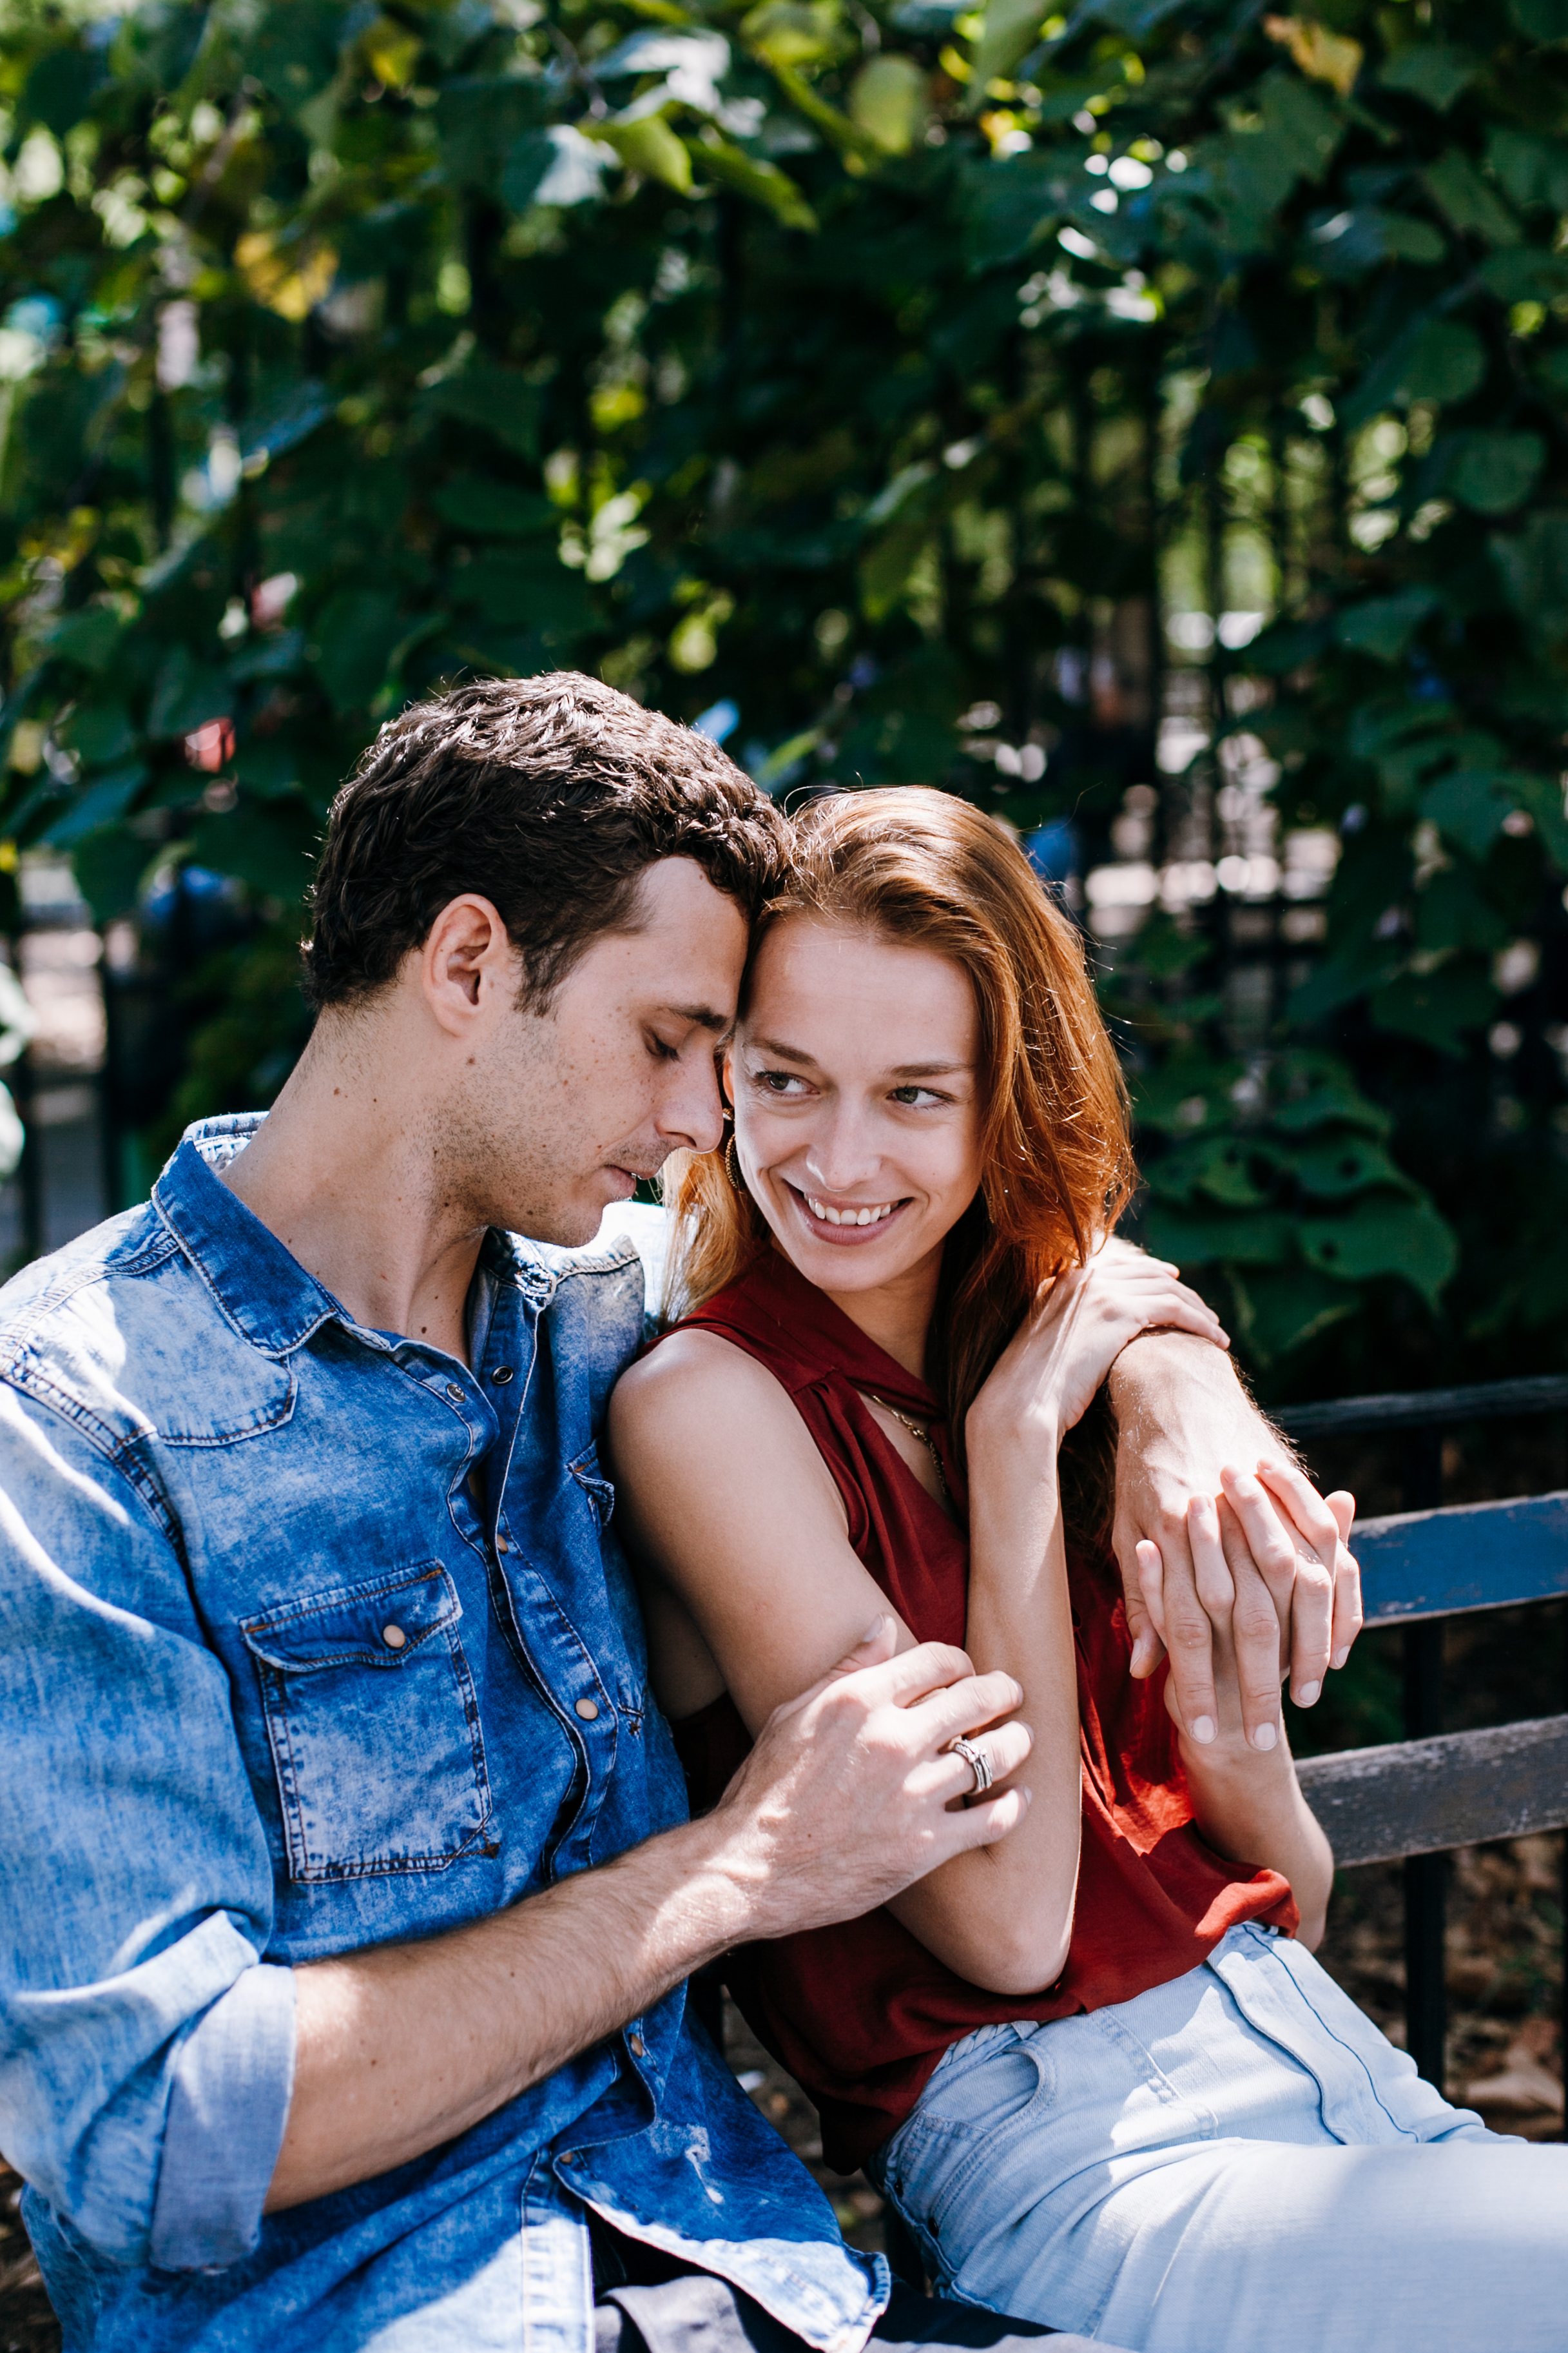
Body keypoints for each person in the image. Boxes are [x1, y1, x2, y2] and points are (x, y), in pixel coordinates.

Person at [0, 673, 1347, 2353]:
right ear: (471, 965)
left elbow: (1009, 1248)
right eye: (669, 1044)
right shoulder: (75, 1422)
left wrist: (1177, 1392)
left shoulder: (608, 1304)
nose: (708, 1122)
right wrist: (728, 1870)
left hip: (761, 2289)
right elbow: (148, 2130)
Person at [608, 785, 1568, 2353]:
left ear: (1006, 1099)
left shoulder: (1035, 1343)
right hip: (1086, 2163)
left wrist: (1234, 1717)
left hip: (1339, 2083)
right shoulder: (710, 1408)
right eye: (785, 1080)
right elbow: (1007, 1933)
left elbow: (1288, 1897)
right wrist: (1008, 1461)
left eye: (916, 1095)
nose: (837, 1157)